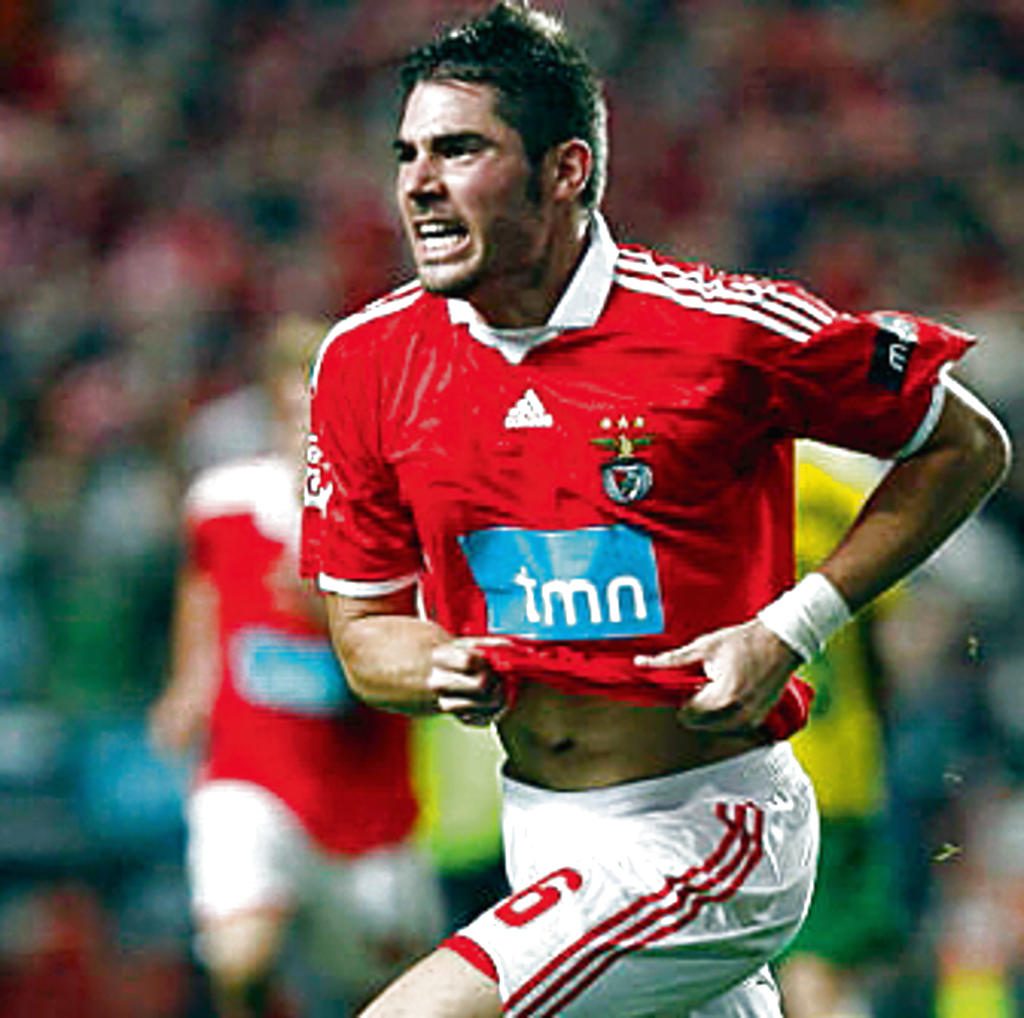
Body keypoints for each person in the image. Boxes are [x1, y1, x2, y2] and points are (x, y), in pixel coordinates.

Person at [299, 4, 1011, 1015]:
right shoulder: (364, 363)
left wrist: (789, 629)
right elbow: (365, 632)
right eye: (406, 153)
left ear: (566, 170)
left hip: (710, 827)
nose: (418, 182)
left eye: (459, 149)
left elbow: (966, 445)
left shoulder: (723, 333)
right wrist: (436, 664)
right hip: (539, 828)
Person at [149, 315, 443, 1018]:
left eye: (322, 420)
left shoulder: (401, 522)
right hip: (252, 775)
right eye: (291, 416)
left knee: (385, 998)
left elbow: (433, 654)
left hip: (367, 810)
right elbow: (203, 589)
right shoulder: (222, 504)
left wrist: (340, 619)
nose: (306, 436)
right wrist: (190, 681)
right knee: (240, 958)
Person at [778, 447, 909, 1018]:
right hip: (845, 763)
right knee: (826, 958)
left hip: (756, 761)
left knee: (802, 961)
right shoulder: (850, 487)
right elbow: (890, 650)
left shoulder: (732, 480)